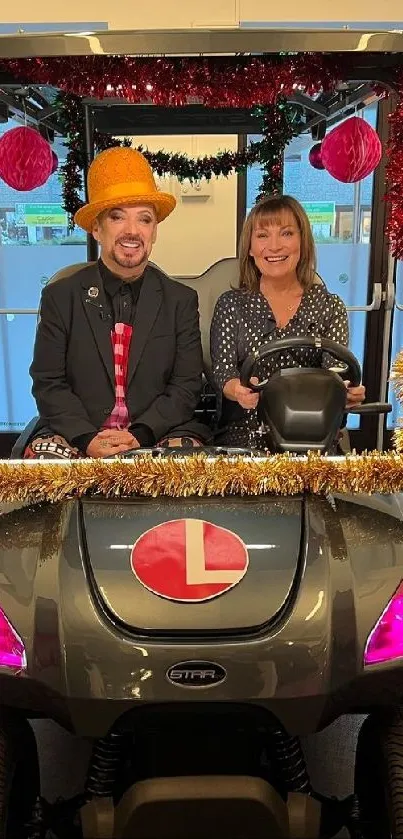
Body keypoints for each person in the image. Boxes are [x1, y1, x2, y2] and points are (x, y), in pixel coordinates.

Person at [24, 147, 209, 459]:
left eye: (144, 219)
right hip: (77, 433)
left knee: (186, 463)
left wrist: (138, 436)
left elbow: (186, 387)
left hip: (154, 433)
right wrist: (86, 438)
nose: (132, 231)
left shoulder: (181, 300)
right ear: (97, 228)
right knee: (44, 461)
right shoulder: (60, 297)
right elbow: (48, 383)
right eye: (117, 217)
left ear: (154, 232)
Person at [210, 194, 365, 449]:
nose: (274, 246)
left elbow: (337, 372)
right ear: (250, 248)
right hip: (246, 433)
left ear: (302, 242)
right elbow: (223, 371)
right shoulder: (231, 305)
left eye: (286, 234)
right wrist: (237, 390)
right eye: (262, 236)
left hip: (312, 433)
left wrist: (346, 391)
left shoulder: (329, 306)